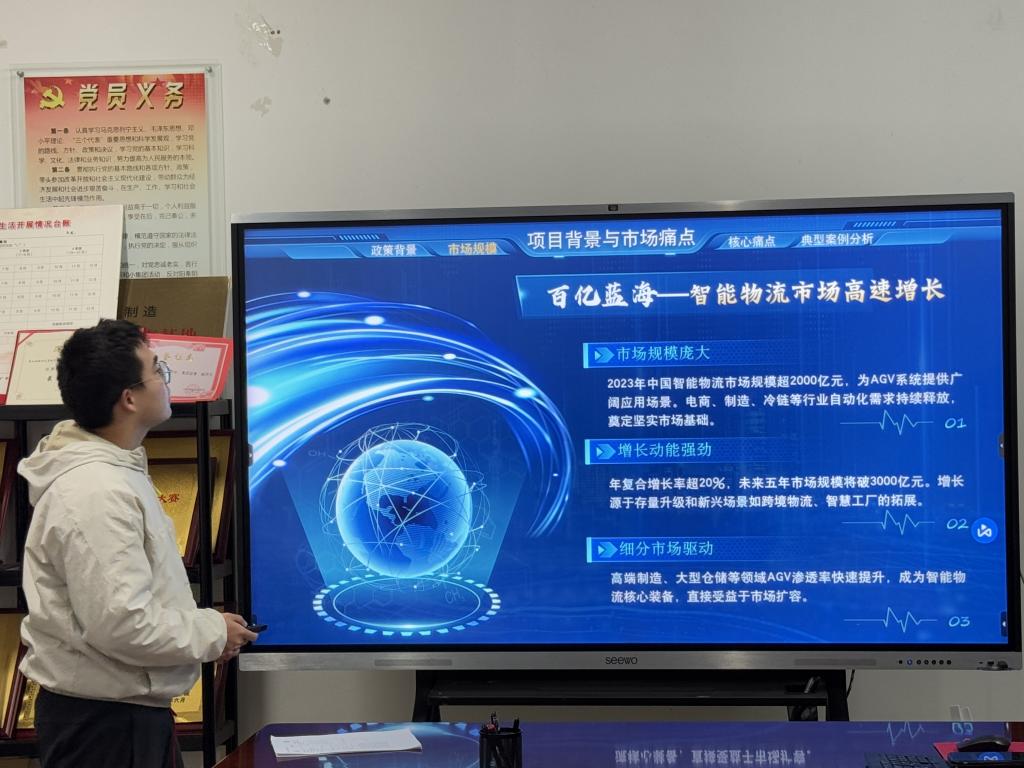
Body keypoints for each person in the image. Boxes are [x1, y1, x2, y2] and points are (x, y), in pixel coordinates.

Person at [17, 319, 258, 767]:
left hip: (123, 715)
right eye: (157, 370)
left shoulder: (114, 472)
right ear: (129, 398)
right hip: (104, 727)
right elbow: (123, 625)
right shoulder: (96, 491)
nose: (167, 381)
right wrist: (210, 632)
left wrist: (208, 630)